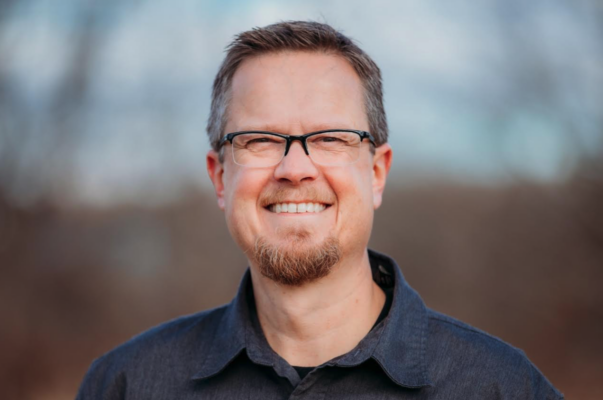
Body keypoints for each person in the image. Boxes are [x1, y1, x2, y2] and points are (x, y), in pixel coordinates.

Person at [76, 21, 563, 399]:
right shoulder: (126, 385)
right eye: (260, 139)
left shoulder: (501, 388)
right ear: (220, 177)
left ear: (377, 173)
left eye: (330, 138)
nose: (294, 169)